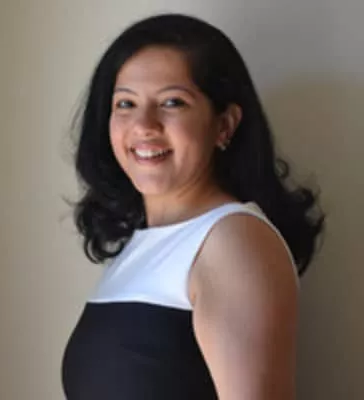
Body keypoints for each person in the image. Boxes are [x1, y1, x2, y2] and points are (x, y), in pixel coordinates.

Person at [61, 13, 324, 400]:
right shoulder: (141, 246)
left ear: (224, 125)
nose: (144, 125)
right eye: (126, 103)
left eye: (172, 102)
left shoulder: (232, 241)